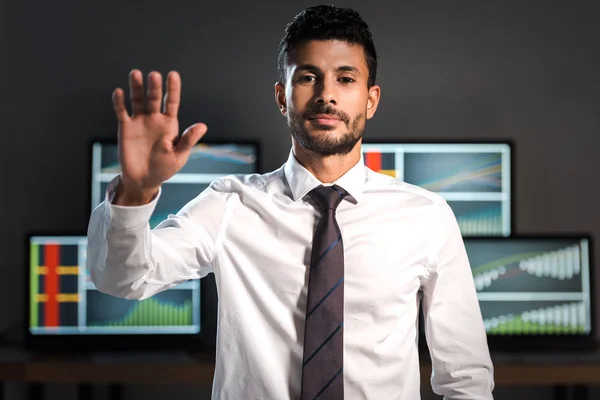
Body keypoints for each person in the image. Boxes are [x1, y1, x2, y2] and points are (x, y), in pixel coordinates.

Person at [87, 4, 494, 399]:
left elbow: (466, 377)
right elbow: (122, 279)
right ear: (282, 97)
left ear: (371, 100)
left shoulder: (426, 217)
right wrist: (135, 195)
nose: (326, 95)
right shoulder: (231, 205)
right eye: (308, 78)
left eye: (346, 79)